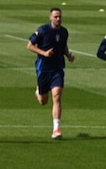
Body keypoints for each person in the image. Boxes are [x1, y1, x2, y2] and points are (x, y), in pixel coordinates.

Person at [27, 8, 75, 139]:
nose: (58, 19)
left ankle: (56, 129)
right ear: (50, 18)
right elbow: (29, 45)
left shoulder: (64, 32)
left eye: (60, 17)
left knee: (57, 96)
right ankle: (39, 91)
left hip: (57, 69)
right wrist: (44, 53)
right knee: (43, 101)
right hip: (43, 69)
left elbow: (63, 46)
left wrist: (68, 55)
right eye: (56, 17)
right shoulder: (43, 30)